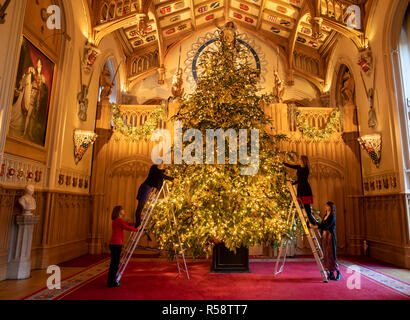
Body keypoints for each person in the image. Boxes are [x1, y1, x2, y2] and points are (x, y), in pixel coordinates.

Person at [107, 206, 140, 288]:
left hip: (114, 244)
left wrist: (136, 224)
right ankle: (112, 283)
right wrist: (137, 229)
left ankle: (111, 281)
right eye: (122, 209)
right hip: (116, 244)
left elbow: (126, 224)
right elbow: (126, 227)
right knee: (115, 264)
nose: (124, 210)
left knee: (114, 264)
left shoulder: (118, 220)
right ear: (119, 212)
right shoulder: (118, 220)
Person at [135, 164, 174, 232]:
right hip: (145, 188)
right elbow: (161, 175)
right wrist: (172, 179)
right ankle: (138, 226)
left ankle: (138, 225)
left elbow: (160, 174)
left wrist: (165, 170)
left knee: (140, 208)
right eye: (161, 164)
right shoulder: (154, 168)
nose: (162, 166)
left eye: (163, 165)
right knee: (140, 208)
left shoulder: (157, 170)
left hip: (146, 188)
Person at [283, 155, 317, 226]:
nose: (299, 160)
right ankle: (308, 223)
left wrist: (293, 183)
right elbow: (291, 166)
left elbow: (302, 179)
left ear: (303, 160)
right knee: (301, 207)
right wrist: (283, 163)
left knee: (307, 208)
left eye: (300, 159)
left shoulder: (306, 169)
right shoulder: (298, 167)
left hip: (305, 188)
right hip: (300, 187)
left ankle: (313, 223)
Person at [312, 202, 341, 281]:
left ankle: (338, 273)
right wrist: (316, 223)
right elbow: (322, 224)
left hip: (330, 236)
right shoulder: (325, 215)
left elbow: (326, 226)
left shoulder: (332, 216)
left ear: (331, 207)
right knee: (326, 255)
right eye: (326, 205)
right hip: (325, 236)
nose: (326, 207)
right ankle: (331, 274)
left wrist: (316, 226)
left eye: (327, 206)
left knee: (332, 255)